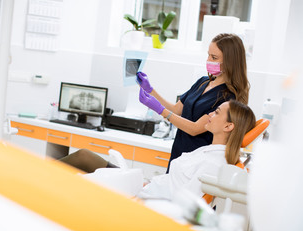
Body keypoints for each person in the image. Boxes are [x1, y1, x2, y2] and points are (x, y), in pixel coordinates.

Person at [60, 100, 256, 199]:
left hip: (143, 197)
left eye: (217, 112)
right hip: (143, 187)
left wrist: (140, 197)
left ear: (229, 126)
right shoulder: (208, 151)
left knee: (73, 185)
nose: (210, 114)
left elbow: (182, 203)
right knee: (77, 174)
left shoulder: (213, 164)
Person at [137, 33, 249, 172]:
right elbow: (177, 109)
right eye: (208, 55)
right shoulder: (202, 82)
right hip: (179, 151)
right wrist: (150, 90)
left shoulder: (228, 98)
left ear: (230, 62)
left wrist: (160, 110)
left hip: (197, 158)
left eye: (214, 58)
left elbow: (195, 129)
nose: (208, 60)